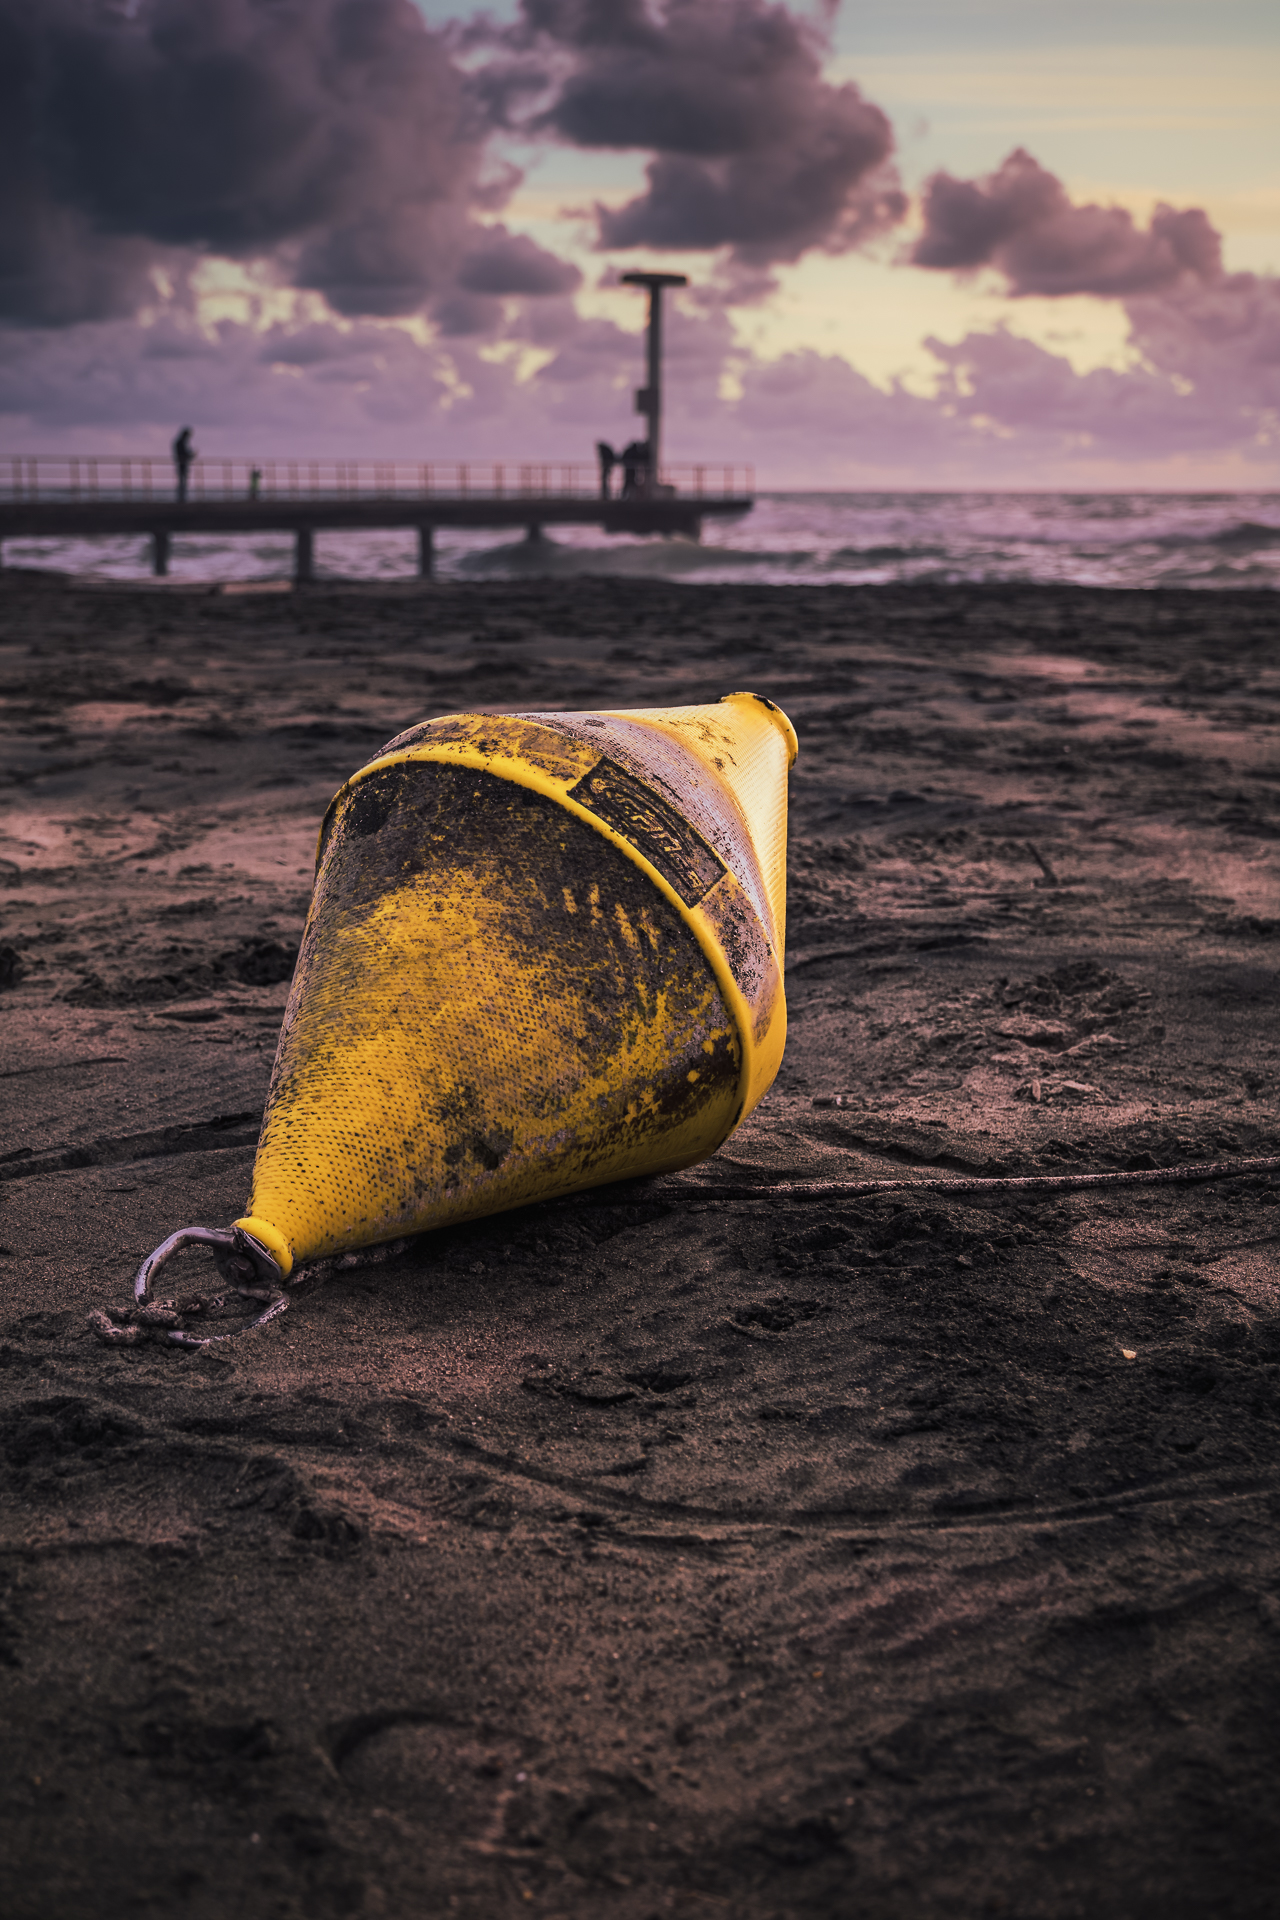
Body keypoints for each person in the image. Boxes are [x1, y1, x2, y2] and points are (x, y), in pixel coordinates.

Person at [172, 426, 195, 503]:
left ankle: (181, 498)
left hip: (181, 463)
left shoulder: (179, 442)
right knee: (182, 482)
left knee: (182, 481)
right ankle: (181, 498)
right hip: (182, 464)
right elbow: (184, 453)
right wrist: (190, 455)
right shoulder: (181, 443)